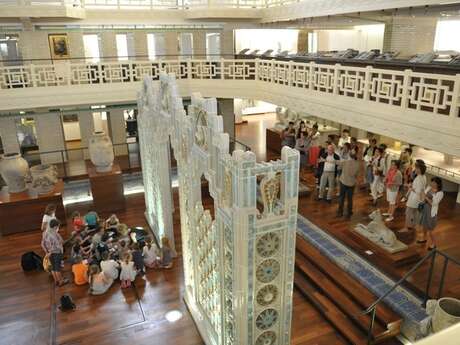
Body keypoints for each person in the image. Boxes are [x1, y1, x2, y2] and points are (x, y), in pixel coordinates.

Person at [417, 177, 444, 249]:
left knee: (430, 230)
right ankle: (424, 238)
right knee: (424, 226)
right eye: (432, 182)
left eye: (434, 182)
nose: (432, 183)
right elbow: (422, 198)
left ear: (438, 184)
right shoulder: (429, 188)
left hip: (431, 212)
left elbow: (433, 203)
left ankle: (434, 244)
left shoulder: (440, 193)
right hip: (425, 209)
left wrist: (425, 197)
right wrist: (422, 193)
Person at [41, 219, 68, 287]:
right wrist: (51, 251)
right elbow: (58, 245)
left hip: (49, 254)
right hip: (56, 253)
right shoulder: (54, 235)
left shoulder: (45, 233)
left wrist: (47, 252)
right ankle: (61, 281)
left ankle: (56, 280)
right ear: (55, 226)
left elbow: (42, 244)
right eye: (58, 226)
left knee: (53, 267)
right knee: (57, 268)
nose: (58, 228)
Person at [336, 147, 361, 219]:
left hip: (343, 182)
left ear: (349, 155)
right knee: (350, 199)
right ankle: (349, 213)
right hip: (351, 183)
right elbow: (356, 174)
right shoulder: (357, 164)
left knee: (341, 197)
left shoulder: (345, 162)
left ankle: (340, 212)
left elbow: (339, 168)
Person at [404, 160, 427, 233]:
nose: (414, 169)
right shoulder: (423, 177)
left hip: (414, 198)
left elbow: (418, 191)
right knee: (414, 213)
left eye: (415, 168)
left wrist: (409, 187)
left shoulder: (419, 178)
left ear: (419, 169)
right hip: (417, 199)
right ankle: (412, 226)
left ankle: (407, 227)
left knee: (408, 213)